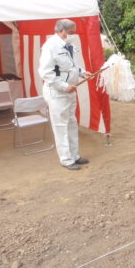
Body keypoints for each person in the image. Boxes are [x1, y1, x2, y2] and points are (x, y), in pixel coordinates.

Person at [38, 19, 92, 170]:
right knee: (61, 126)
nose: (73, 36)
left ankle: (75, 155)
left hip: (70, 91)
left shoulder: (69, 46)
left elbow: (72, 66)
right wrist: (63, 86)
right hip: (56, 92)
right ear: (61, 31)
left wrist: (81, 72)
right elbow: (45, 72)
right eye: (70, 33)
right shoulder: (50, 46)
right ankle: (66, 160)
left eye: (74, 33)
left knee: (72, 123)